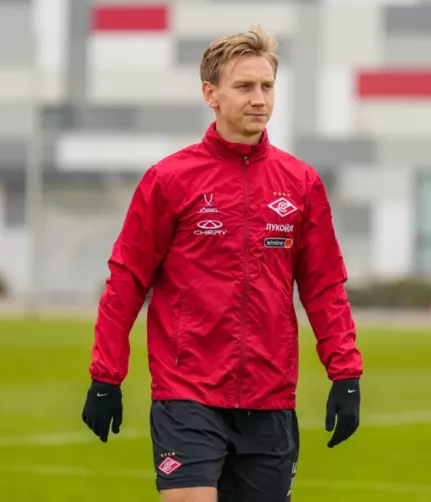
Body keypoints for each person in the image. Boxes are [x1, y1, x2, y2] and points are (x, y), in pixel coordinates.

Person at [81, 25, 363, 502]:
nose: (259, 98)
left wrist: (346, 375)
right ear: (210, 94)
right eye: (244, 86)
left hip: (270, 399)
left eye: (267, 86)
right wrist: (106, 376)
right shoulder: (168, 180)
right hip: (187, 394)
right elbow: (126, 282)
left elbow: (324, 287)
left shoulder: (301, 183)